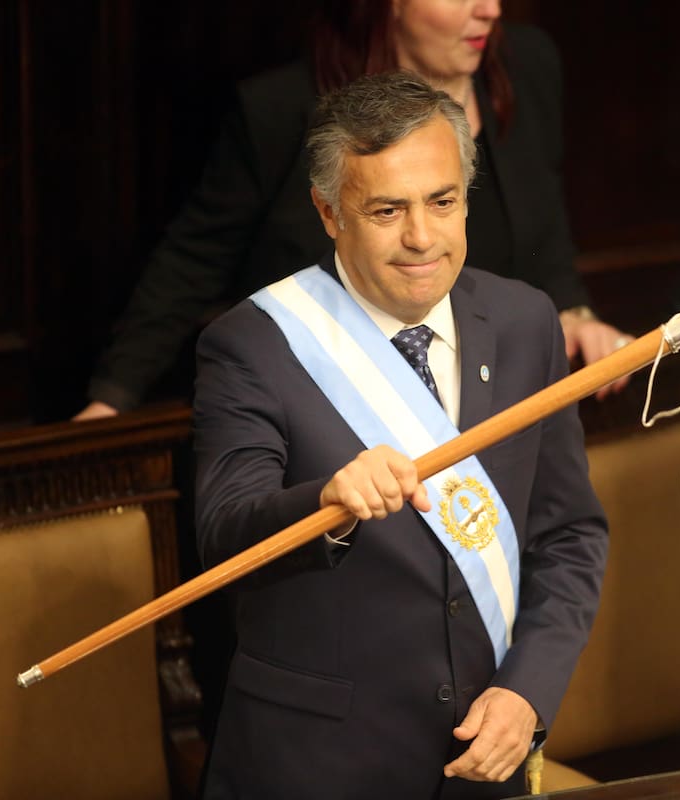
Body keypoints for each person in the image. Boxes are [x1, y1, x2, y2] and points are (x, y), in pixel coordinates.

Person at [191, 71, 607, 798]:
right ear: (328, 212)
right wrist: (327, 500)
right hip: (317, 767)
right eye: (387, 210)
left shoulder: (524, 322)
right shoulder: (253, 343)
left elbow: (569, 535)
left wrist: (528, 692)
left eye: (442, 203)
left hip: (485, 760)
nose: (422, 237)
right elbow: (226, 530)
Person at [77, 0, 629, 422]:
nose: (490, 9)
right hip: (331, 404)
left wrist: (574, 312)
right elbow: (192, 260)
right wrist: (113, 398)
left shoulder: (527, 67)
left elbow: (544, 215)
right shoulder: (280, 110)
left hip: (486, 395)